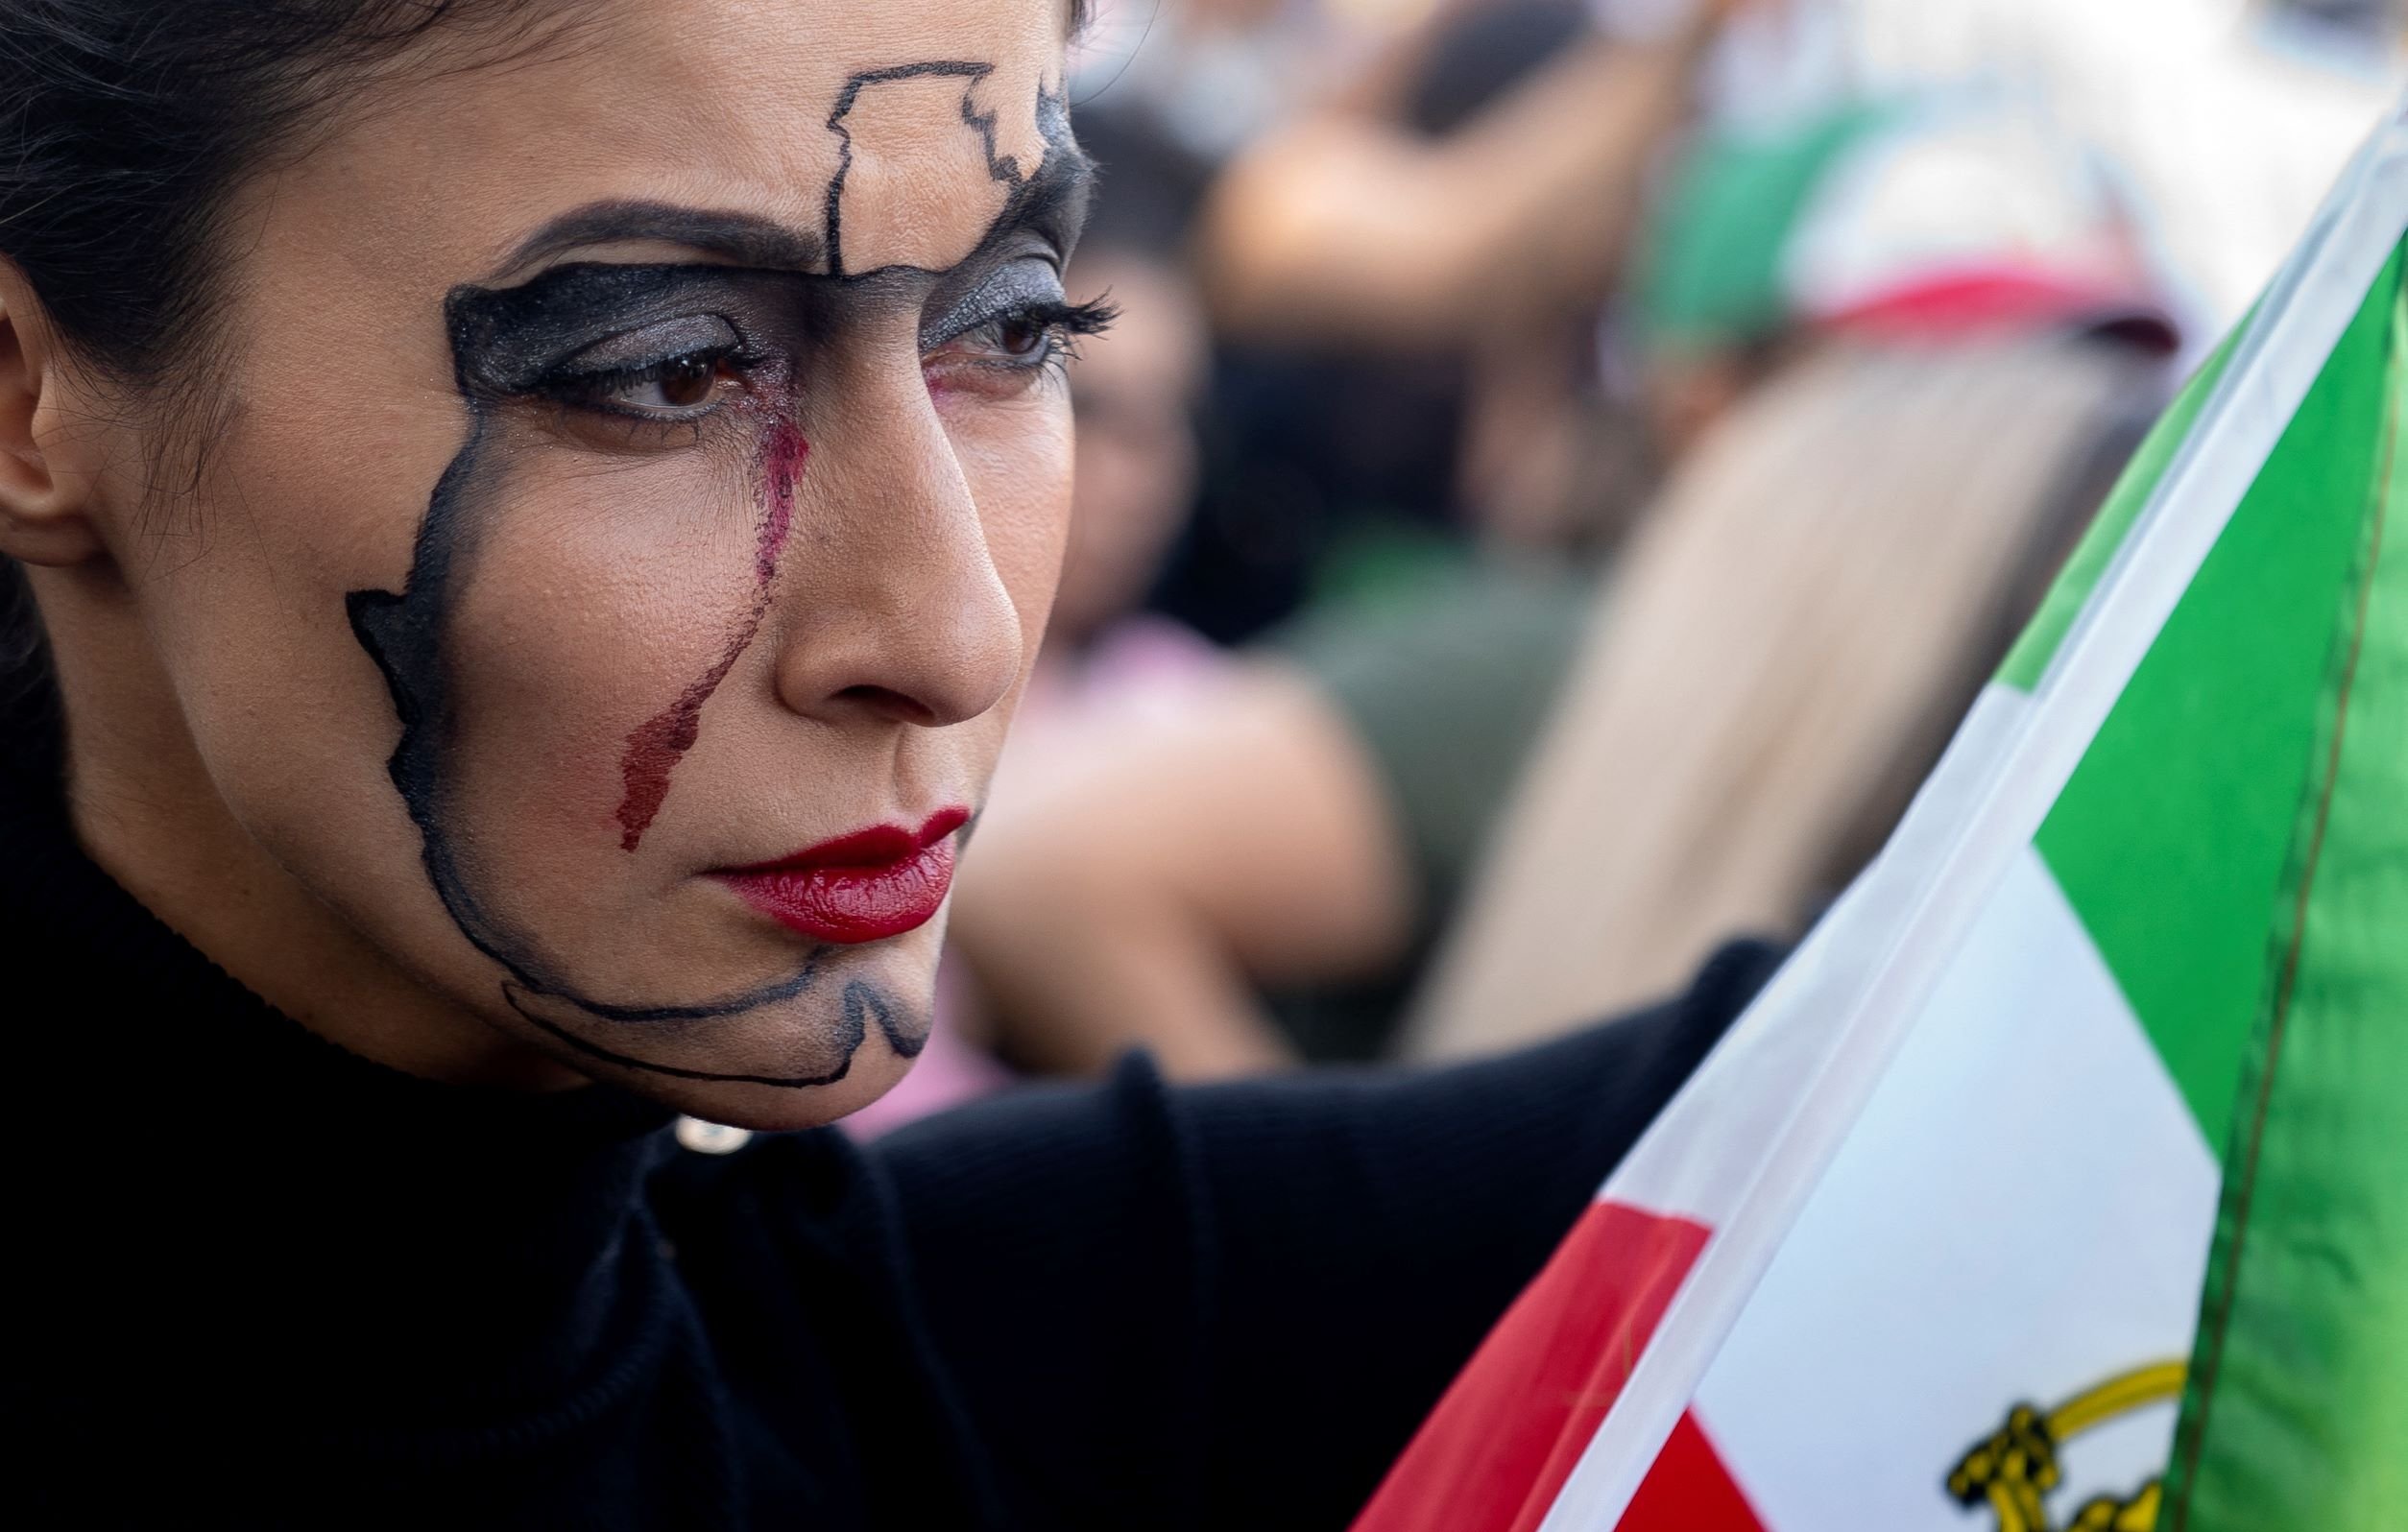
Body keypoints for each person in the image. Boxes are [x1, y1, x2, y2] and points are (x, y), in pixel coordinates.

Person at [0, 2, 1778, 1525]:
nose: (958, 635)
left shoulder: (986, 1361)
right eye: (670, 368)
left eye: (1012, 328)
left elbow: (1902, 1035)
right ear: (29, 398)